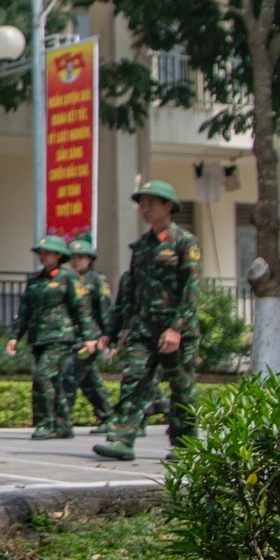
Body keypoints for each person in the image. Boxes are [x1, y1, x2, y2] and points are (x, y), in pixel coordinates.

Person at [94, 181, 201, 462]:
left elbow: (191, 290)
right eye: (142, 203)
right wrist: (122, 328)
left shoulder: (185, 243)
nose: (145, 208)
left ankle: (186, 445)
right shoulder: (140, 247)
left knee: (182, 388)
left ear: (168, 206)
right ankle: (122, 438)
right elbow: (131, 291)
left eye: (151, 202)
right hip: (144, 328)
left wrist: (177, 328)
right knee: (134, 379)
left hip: (177, 330)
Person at [6, 235, 100, 440]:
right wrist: (15, 336)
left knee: (42, 377)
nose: (43, 257)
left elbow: (81, 308)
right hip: (38, 338)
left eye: (47, 253)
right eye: (41, 253)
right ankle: (63, 424)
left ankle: (45, 423)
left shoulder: (69, 277)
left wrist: (89, 337)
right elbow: (25, 311)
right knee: (54, 382)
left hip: (61, 337)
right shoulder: (35, 279)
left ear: (59, 255)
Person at [64, 236, 116, 432]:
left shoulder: (97, 280)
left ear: (89, 259)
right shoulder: (67, 279)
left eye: (81, 257)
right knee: (89, 381)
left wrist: (107, 338)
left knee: (69, 378)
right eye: (73, 257)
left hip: (90, 338)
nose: (77, 261)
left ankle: (62, 419)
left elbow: (106, 310)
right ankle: (108, 417)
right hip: (71, 337)